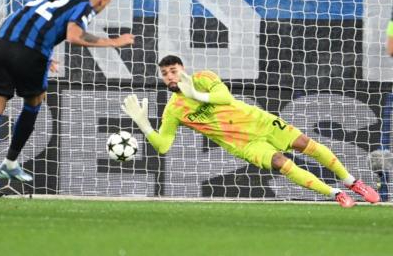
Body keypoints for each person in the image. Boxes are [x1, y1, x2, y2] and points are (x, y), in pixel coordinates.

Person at [0, 0, 134, 207]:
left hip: (2, 45)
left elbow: (37, 19)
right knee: (34, 101)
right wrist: (113, 42)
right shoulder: (87, 4)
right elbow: (74, 35)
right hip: (30, 52)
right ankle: (10, 162)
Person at [122, 55, 380, 208]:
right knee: (282, 163)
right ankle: (336, 194)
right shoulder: (173, 110)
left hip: (260, 121)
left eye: (173, 71)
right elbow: (164, 145)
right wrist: (144, 125)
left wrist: (196, 94)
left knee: (306, 144)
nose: (169, 77)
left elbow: (223, 96)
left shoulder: (202, 78)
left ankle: (352, 182)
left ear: (183, 69)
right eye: (165, 74)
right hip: (243, 144)